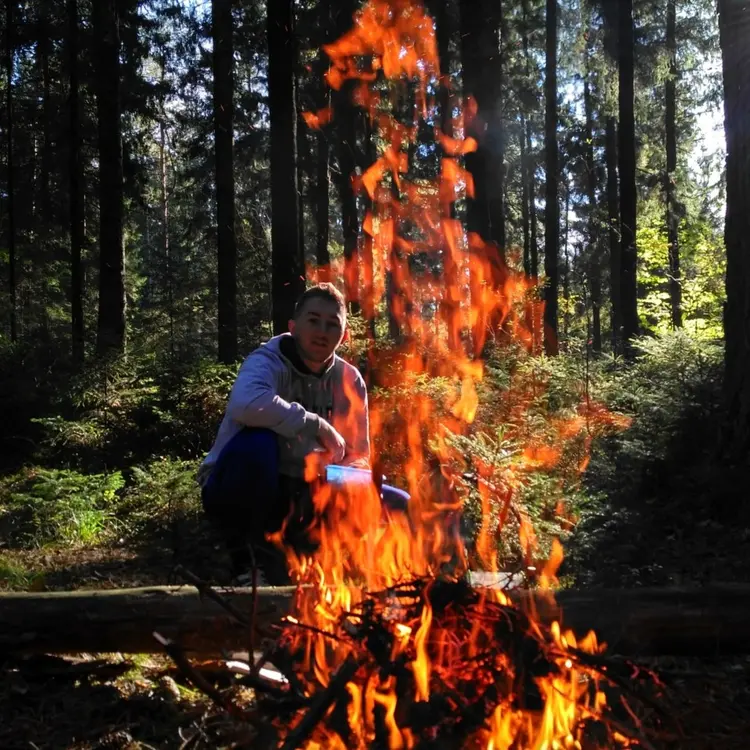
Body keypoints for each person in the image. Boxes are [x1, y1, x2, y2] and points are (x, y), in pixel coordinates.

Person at [199, 283, 381, 585]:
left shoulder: (350, 379)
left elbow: (359, 456)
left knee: (391, 497)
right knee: (257, 445)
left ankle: (345, 570)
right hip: (236, 486)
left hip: (306, 492)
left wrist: (355, 491)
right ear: (293, 326)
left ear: (344, 336)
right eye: (313, 320)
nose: (322, 331)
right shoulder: (267, 361)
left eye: (332, 324)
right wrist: (315, 424)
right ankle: (246, 563)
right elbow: (245, 404)